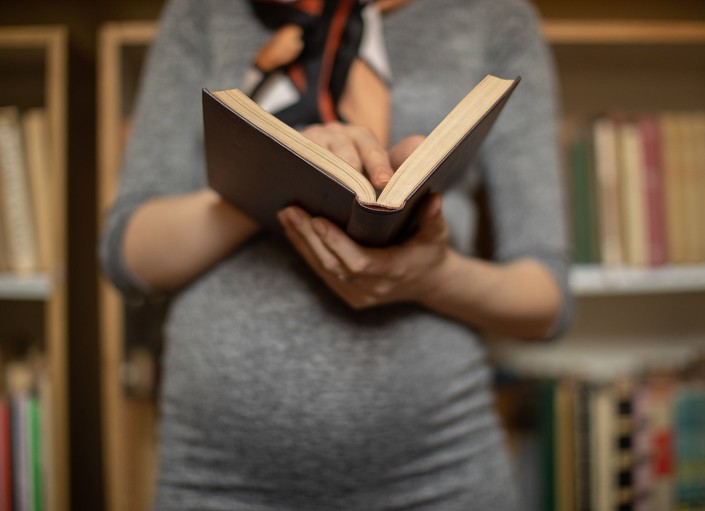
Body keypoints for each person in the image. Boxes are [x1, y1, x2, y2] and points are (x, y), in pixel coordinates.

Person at [99, 0, 573, 509]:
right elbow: (129, 256)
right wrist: (282, 165)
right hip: (216, 479)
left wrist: (434, 278)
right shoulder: (202, 11)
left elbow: (547, 302)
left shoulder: (495, 15)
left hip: (441, 472)